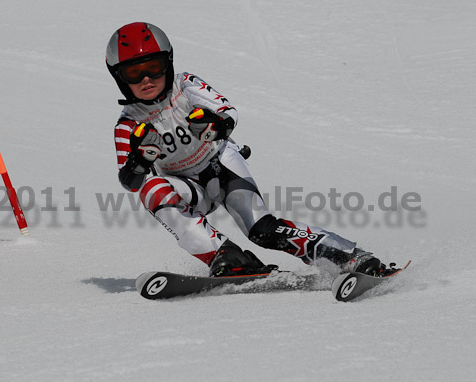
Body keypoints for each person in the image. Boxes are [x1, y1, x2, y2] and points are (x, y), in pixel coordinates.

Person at [106, 22, 394, 277]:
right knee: (151, 189)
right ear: (120, 78)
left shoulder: (185, 85)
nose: (146, 79)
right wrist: (140, 160)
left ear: (167, 63)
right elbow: (129, 181)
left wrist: (215, 124)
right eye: (134, 72)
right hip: (188, 186)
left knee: (262, 231)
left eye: (153, 67)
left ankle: (350, 257)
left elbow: (227, 111)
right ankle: (226, 255)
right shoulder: (128, 124)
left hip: (220, 165)